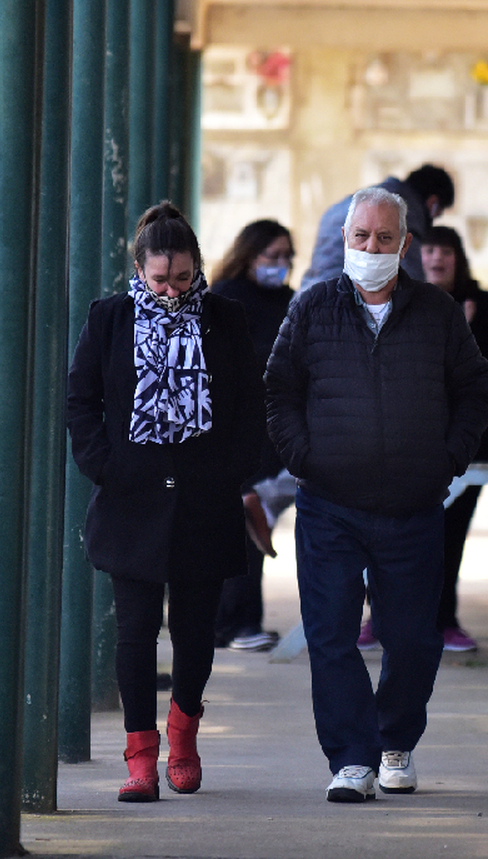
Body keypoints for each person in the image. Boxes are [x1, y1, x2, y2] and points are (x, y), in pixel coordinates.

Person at [266, 185, 488, 803]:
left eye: (385, 238)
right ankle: (351, 760)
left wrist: (445, 461)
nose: (372, 247)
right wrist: (303, 458)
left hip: (412, 506)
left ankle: (395, 742)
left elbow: (477, 392)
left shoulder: (438, 314)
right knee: (332, 632)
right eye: (361, 236)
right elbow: (278, 390)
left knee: (413, 636)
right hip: (329, 503)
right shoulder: (311, 309)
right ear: (344, 239)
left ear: (406, 245)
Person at [66, 202, 265, 804]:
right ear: (139, 268)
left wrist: (231, 472)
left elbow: (249, 407)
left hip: (205, 498)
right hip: (132, 498)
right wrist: (108, 468)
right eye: (161, 280)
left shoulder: (225, 319)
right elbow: (81, 402)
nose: (173, 290)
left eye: (183, 278)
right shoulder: (110, 319)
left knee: (196, 630)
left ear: (198, 268)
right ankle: (141, 758)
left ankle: (184, 741)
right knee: (134, 632)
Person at [417, 225, 488, 652]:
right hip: (414, 432)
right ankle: (381, 618)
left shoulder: (481, 304)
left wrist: (469, 333)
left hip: (470, 434)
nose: (437, 259)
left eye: (445, 250)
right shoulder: (401, 298)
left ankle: (444, 620)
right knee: (393, 531)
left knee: (452, 529)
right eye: (429, 250)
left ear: (458, 258)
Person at [209, 219, 299, 652]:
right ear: (250, 255)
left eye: (287, 257)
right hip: (231, 426)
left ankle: (239, 622)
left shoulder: (290, 301)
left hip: (273, 430)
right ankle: (235, 623)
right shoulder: (225, 297)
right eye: (273, 256)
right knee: (242, 519)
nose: (281, 265)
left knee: (253, 518)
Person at [298, 163, 455, 291]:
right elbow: (411, 279)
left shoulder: (348, 203)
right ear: (433, 203)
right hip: (339, 310)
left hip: (310, 298)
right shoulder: (401, 210)